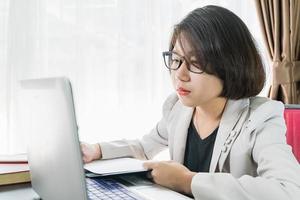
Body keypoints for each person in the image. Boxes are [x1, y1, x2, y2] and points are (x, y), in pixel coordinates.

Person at [81, 5, 300, 200]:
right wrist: (96, 150)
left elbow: (289, 190)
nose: (180, 74)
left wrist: (188, 180)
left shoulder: (261, 118)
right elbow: (143, 148)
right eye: (176, 60)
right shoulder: (177, 108)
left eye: (196, 63)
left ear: (230, 66)